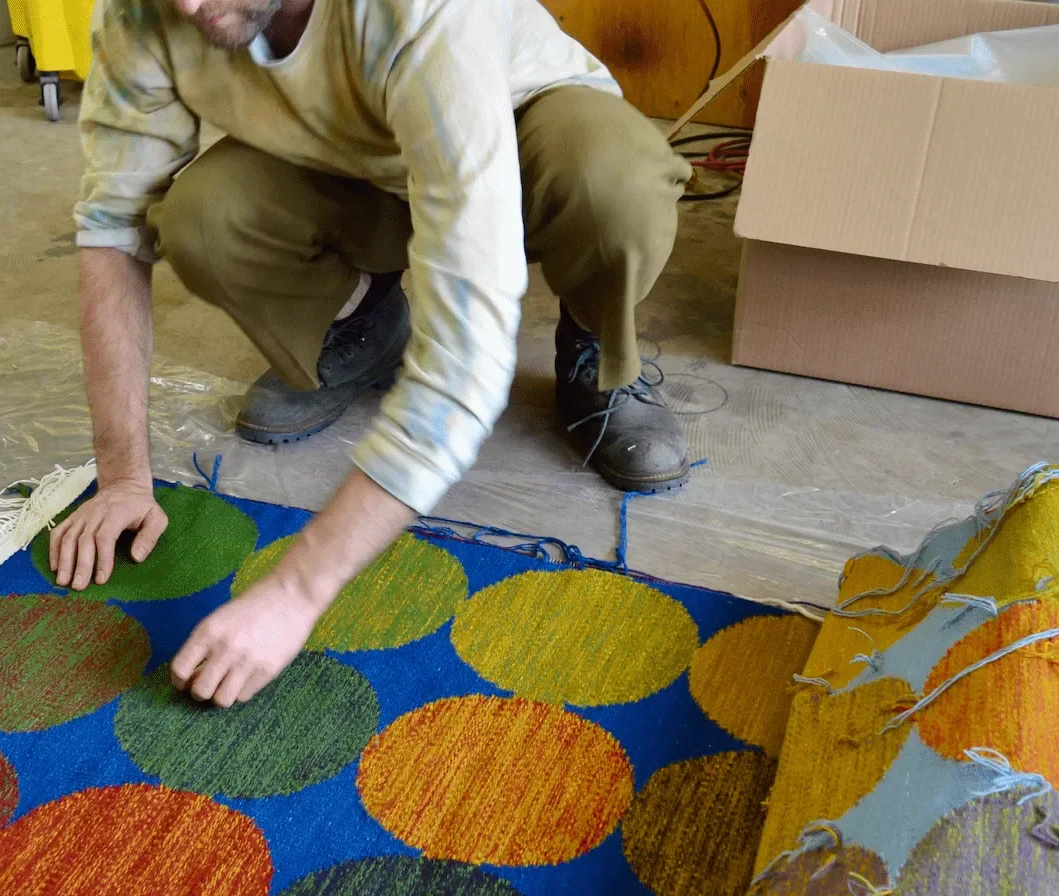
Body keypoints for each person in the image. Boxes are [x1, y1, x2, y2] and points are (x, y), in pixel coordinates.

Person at [46, 0, 692, 707]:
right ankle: (364, 322)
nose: (188, 5)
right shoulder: (141, 9)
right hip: (359, 161)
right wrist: (122, 479)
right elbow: (112, 229)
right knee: (203, 217)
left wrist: (297, 591)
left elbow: (467, 351)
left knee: (611, 185)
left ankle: (596, 348)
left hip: (522, 131)